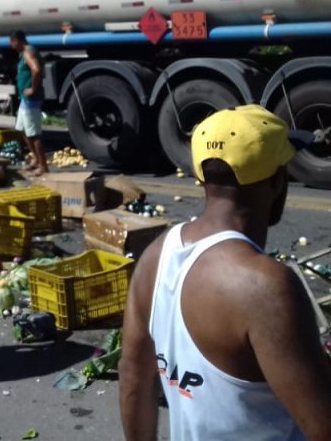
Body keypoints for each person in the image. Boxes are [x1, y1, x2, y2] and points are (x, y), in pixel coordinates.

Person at [119, 105, 331, 441]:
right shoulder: (264, 286)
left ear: (201, 176)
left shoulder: (157, 255)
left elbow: (133, 378)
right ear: (278, 182)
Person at [9, 30, 49, 176]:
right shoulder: (24, 53)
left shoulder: (28, 52)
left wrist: (33, 88)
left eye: (12, 43)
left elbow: (36, 70)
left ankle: (43, 167)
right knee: (23, 129)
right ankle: (36, 160)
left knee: (34, 133)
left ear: (16, 41)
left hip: (31, 100)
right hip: (24, 100)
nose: (12, 47)